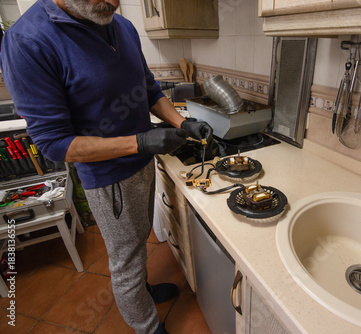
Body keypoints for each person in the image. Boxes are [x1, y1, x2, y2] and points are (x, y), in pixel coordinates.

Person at [0, 0, 213, 333]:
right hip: (108, 178)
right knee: (126, 261)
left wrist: (181, 123)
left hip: (143, 164)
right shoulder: (27, 42)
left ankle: (142, 292)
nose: (114, 2)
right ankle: (147, 326)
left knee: (138, 242)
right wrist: (141, 142)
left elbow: (149, 88)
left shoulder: (122, 26)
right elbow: (54, 144)